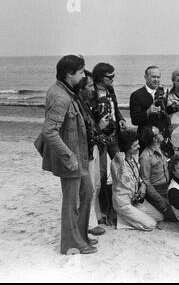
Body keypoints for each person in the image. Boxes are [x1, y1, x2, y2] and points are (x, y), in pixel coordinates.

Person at [34, 55, 97, 255]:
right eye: (80, 72)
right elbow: (49, 131)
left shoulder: (66, 90)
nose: (83, 76)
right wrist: (69, 157)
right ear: (69, 74)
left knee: (87, 192)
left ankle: (81, 236)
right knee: (70, 202)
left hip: (81, 156)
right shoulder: (61, 96)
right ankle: (71, 243)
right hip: (71, 158)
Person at [77, 70, 110, 236]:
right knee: (89, 186)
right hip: (86, 151)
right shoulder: (78, 104)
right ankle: (89, 223)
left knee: (96, 183)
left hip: (94, 148)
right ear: (81, 88)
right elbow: (84, 131)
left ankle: (95, 215)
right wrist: (100, 127)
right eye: (89, 86)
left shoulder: (86, 103)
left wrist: (99, 127)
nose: (92, 89)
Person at [111, 130, 164, 231]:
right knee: (151, 225)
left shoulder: (133, 158)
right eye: (135, 145)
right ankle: (121, 221)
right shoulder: (116, 162)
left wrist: (143, 185)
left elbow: (137, 177)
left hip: (134, 200)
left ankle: (128, 216)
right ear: (127, 148)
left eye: (138, 143)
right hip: (123, 203)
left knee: (159, 217)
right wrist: (122, 163)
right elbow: (121, 180)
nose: (139, 146)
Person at [139, 126, 177, 221]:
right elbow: (146, 182)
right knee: (175, 217)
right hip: (157, 192)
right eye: (159, 132)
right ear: (154, 139)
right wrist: (159, 200)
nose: (162, 133)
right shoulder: (145, 157)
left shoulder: (163, 148)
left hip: (168, 188)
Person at [129, 65, 169, 143]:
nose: (156, 80)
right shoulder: (137, 95)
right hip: (146, 139)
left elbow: (166, 114)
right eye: (153, 77)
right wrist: (148, 112)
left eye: (158, 77)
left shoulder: (164, 93)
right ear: (145, 77)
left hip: (163, 137)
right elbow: (134, 120)